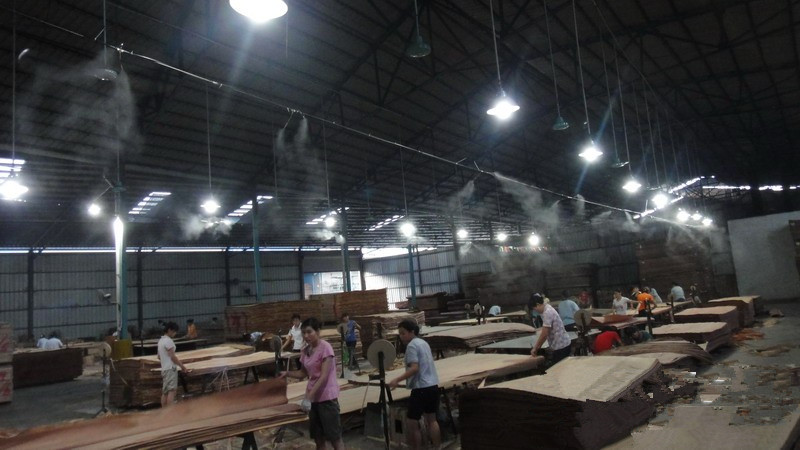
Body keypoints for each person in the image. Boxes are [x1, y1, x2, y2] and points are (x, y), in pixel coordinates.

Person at [279, 318, 344, 450]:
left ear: (317, 331)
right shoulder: (305, 350)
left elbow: (324, 376)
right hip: (313, 399)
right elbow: (303, 372)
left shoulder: (325, 348)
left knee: (334, 438)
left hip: (327, 399)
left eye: (309, 332)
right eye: (304, 333)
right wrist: (287, 373)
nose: (306, 336)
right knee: (318, 438)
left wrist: (309, 397)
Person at [389, 319, 441, 450]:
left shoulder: (412, 346)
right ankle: (437, 447)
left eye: (403, 333)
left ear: (412, 332)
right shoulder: (423, 343)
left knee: (412, 422)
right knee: (432, 420)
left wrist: (397, 380)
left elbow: (414, 368)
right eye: (400, 334)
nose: (401, 336)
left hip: (421, 388)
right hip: (433, 385)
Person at [530, 293, 572, 365]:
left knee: (559, 369)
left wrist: (535, 348)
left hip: (561, 346)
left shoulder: (547, 312)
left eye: (535, 309)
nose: (536, 311)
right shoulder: (546, 307)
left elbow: (544, 334)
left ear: (538, 304)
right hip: (561, 344)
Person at [158, 322, 190, 407]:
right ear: (170, 330)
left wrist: (165, 360)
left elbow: (159, 356)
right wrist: (182, 366)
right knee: (172, 391)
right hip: (170, 368)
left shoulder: (161, 341)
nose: (175, 333)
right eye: (174, 331)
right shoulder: (168, 341)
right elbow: (172, 357)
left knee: (165, 392)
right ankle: (170, 411)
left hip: (164, 369)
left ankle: (164, 411)